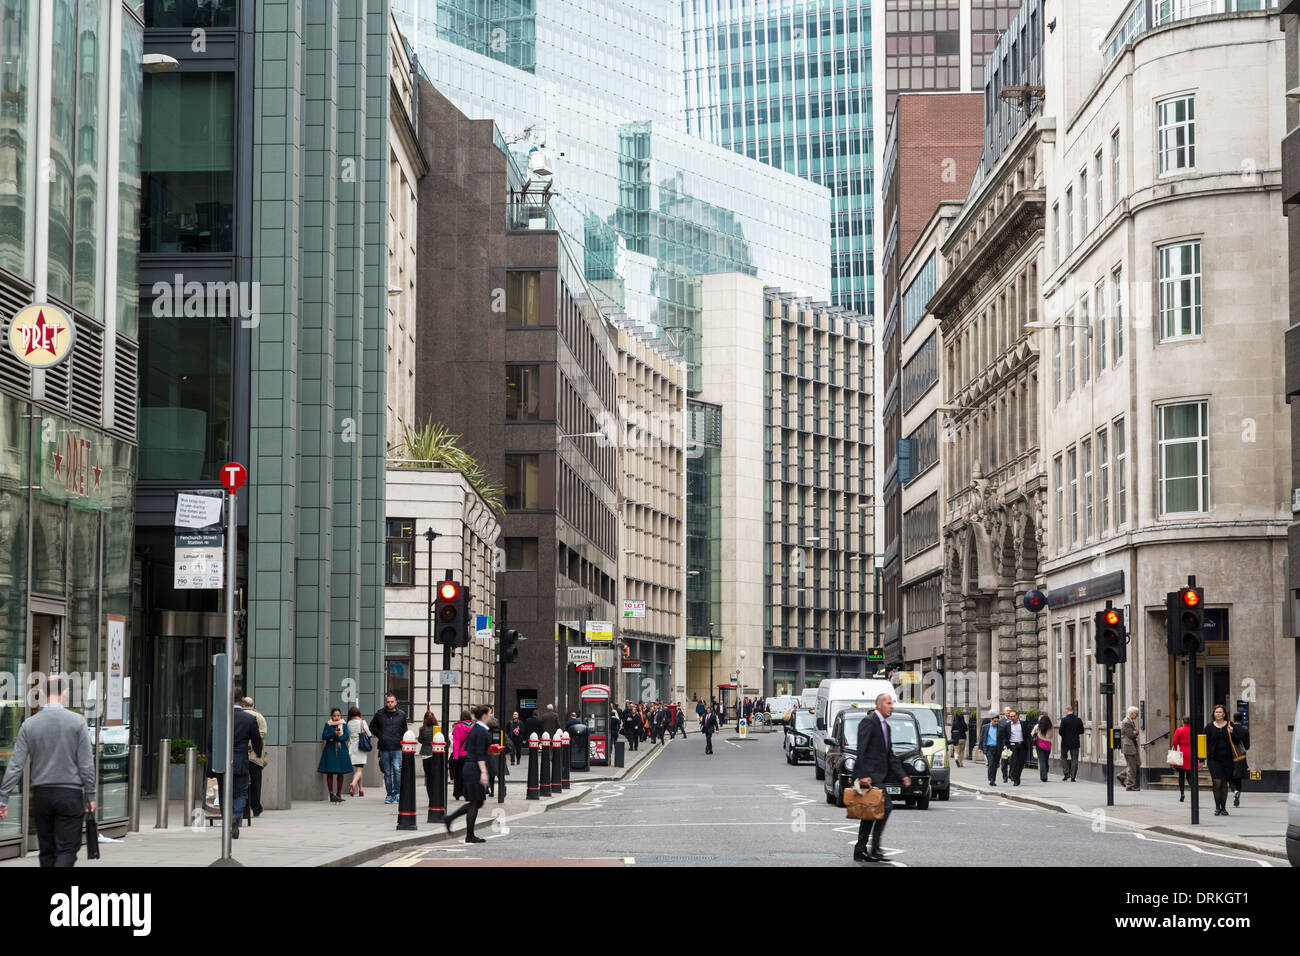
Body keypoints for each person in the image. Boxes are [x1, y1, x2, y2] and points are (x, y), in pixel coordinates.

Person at [0, 676, 96, 866]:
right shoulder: (77, 722)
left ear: (42, 693)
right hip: (70, 794)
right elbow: (86, 764)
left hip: (42, 795)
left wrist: (4, 797)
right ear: (65, 692)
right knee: (67, 849)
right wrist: (91, 795)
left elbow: (16, 764)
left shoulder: (30, 724)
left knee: (47, 851)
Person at [852, 693, 912, 864]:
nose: (891, 706)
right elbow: (861, 749)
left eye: (892, 703)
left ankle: (860, 850)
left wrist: (903, 776)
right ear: (879, 705)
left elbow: (889, 755)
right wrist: (862, 774)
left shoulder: (886, 726)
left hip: (879, 776)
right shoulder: (869, 722)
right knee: (885, 808)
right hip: (870, 776)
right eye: (888, 703)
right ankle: (875, 848)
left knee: (870, 813)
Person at [206, 688, 263, 837]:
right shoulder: (249, 719)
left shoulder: (219, 717)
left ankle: (228, 819)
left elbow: (210, 741)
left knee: (224, 793)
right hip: (240, 761)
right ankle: (236, 817)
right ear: (242, 700)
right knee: (241, 793)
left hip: (222, 761)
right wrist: (257, 753)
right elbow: (257, 741)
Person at [444, 704, 492, 843]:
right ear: (484, 715)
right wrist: (483, 772)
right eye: (489, 714)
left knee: (477, 802)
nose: (490, 716)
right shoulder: (481, 731)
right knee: (475, 802)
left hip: (470, 767)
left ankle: (455, 823)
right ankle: (467, 834)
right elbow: (479, 754)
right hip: (474, 769)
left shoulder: (476, 729)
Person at [1204, 704, 1245, 816]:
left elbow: (1238, 741)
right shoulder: (1209, 727)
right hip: (1214, 759)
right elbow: (1204, 742)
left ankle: (1224, 807)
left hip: (1228, 759)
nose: (1218, 714)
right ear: (1213, 714)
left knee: (1224, 784)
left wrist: (1232, 732)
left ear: (1224, 714)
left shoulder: (1230, 725)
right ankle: (1217, 807)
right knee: (1217, 782)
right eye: (1216, 712)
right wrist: (1201, 758)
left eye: (1220, 712)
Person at [369, 694, 408, 804]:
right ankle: (389, 794)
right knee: (387, 772)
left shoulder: (401, 715)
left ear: (396, 702)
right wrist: (381, 735)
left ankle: (397, 793)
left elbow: (405, 730)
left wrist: (401, 740)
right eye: (388, 702)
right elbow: (372, 727)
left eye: (392, 701)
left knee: (397, 770)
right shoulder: (379, 714)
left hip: (397, 747)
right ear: (385, 702)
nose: (390, 703)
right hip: (384, 747)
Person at [318, 708, 352, 803]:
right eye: (334, 715)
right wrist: (334, 734)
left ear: (340, 716)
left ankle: (339, 794)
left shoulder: (344, 725)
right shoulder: (328, 724)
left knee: (340, 773)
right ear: (331, 716)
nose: (336, 717)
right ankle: (331, 794)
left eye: (338, 715)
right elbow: (324, 736)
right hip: (330, 750)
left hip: (341, 750)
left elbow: (346, 736)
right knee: (330, 772)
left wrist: (337, 737)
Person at [242, 697, 268, 817]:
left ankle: (244, 806)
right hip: (255, 756)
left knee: (241, 781)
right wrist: (251, 746)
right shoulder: (259, 716)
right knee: (256, 782)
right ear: (252, 704)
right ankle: (256, 807)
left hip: (240, 755)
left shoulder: (237, 715)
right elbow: (262, 734)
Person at [1117, 706, 1141, 792]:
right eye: (1136, 713)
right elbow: (1131, 735)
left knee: (1137, 764)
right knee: (1132, 767)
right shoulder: (1126, 722)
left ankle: (1121, 776)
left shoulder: (1131, 721)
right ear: (1132, 713)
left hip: (1132, 746)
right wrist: (1136, 732)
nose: (1137, 715)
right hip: (1128, 747)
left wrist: (1135, 732)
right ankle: (1130, 785)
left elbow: (1133, 733)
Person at [451, 709, 473, 801]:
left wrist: (455, 756)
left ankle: (457, 793)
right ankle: (467, 793)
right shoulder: (474, 726)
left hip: (460, 754)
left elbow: (456, 742)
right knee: (469, 775)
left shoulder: (458, 727)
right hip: (470, 754)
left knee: (458, 774)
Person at [346, 706, 368, 797]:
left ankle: (361, 790)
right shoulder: (362, 722)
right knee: (359, 769)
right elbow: (369, 733)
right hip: (361, 747)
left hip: (351, 747)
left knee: (358, 769)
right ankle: (353, 784)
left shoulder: (348, 723)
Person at [1058, 705, 1084, 781]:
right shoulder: (1078, 720)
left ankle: (1066, 773)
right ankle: (1073, 777)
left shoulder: (1064, 720)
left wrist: (1065, 735)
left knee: (1063, 757)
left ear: (1067, 710)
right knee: (1074, 759)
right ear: (1072, 711)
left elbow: (1060, 732)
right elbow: (1082, 731)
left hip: (1065, 742)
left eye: (1065, 711)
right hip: (1075, 742)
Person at [1170, 716, 1193, 802]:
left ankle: (1182, 793)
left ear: (1183, 722)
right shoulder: (1192, 730)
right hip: (1190, 753)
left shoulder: (1179, 730)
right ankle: (1193, 791)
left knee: (1181, 776)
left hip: (1181, 753)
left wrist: (1174, 750)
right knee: (1190, 775)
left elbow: (1175, 743)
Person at [1229, 713, 1249, 808]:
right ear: (1242, 719)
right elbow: (1247, 746)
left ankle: (1234, 791)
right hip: (1241, 757)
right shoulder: (1245, 730)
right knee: (1239, 778)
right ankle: (1238, 794)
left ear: (1234, 719)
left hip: (1231, 756)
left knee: (1230, 776)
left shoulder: (1230, 729)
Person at [417, 711, 437, 809]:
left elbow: (420, 740)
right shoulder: (437, 729)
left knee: (428, 778)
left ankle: (431, 799)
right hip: (435, 755)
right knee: (435, 778)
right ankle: (436, 798)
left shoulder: (422, 729)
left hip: (425, 755)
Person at [1005, 710, 1028, 786]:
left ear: (1017, 716)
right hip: (1012, 746)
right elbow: (1005, 737)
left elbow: (1027, 734)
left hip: (1021, 745)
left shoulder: (1023, 724)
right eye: (1010, 716)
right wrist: (1005, 745)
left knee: (1021, 763)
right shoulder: (1008, 725)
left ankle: (1018, 776)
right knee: (1014, 763)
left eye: (1013, 716)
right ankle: (1015, 779)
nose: (1012, 718)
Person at [1032, 713, 1053, 782]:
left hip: (1040, 745)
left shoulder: (1038, 726)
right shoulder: (1050, 727)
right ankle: (1045, 772)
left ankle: (1044, 776)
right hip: (1048, 745)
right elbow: (1051, 736)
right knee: (1046, 760)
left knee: (1042, 761)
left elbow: (1032, 734)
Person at [999, 706, 1014, 782]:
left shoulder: (1014, 720)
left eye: (1009, 710)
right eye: (1007, 711)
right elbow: (1000, 734)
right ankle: (1004, 777)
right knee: (1004, 762)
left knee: (1012, 761)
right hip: (1004, 745)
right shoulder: (1001, 721)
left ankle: (1011, 775)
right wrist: (1003, 745)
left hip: (1012, 744)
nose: (1008, 712)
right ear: (1004, 712)